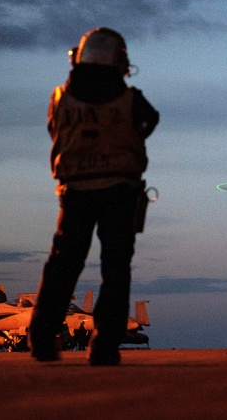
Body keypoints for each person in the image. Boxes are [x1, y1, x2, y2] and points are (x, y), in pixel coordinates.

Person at [29, 28, 159, 366]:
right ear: (118, 60)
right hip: (119, 191)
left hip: (75, 192)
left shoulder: (60, 97)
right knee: (115, 269)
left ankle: (42, 338)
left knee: (62, 264)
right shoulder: (131, 100)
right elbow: (150, 121)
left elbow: (53, 128)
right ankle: (105, 345)